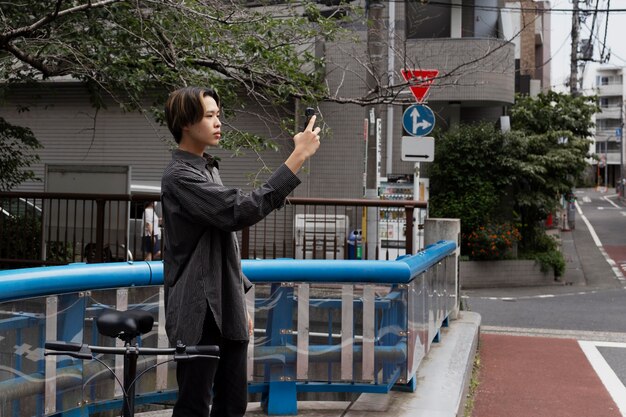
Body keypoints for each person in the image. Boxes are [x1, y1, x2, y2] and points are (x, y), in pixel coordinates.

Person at [161, 86, 320, 417]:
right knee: (193, 403)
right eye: (210, 116)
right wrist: (297, 158)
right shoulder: (180, 177)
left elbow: (222, 245)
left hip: (224, 304)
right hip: (196, 309)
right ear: (186, 123)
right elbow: (239, 211)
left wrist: (237, 298)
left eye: (219, 115)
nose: (219, 122)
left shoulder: (207, 168)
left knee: (233, 403)